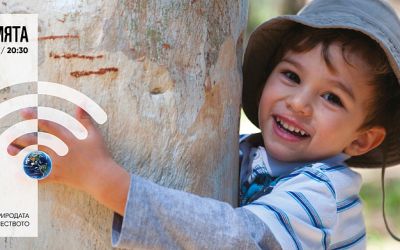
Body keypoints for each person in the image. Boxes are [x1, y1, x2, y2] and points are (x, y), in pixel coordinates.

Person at [7, 0, 400, 249]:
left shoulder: (324, 198)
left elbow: (238, 238)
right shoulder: (248, 151)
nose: (298, 103)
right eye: (292, 76)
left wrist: (104, 180)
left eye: (332, 98)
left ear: (363, 139)